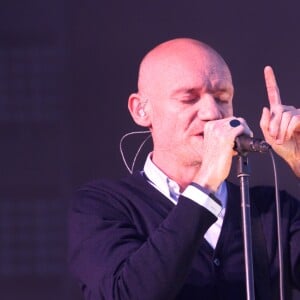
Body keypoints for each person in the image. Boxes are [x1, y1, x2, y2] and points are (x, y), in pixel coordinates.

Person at [69, 38, 300, 300]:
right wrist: (205, 185)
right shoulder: (102, 206)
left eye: (222, 97)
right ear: (141, 110)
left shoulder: (271, 211)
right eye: (189, 99)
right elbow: (125, 294)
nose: (212, 113)